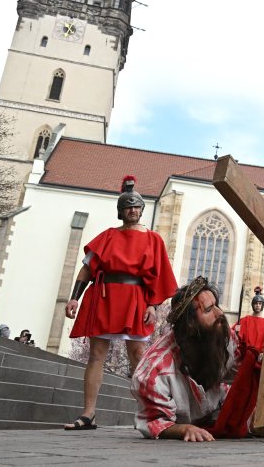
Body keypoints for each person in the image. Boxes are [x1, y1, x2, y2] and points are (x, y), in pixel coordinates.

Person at [131, 277, 264, 440]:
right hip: (194, 420)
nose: (220, 314)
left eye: (217, 305)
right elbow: (154, 422)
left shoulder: (223, 339)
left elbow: (252, 369)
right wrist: (183, 429)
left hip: (220, 409)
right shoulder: (153, 372)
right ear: (190, 325)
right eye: (208, 310)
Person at [64, 175, 178, 431]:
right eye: (128, 207)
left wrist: (153, 305)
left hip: (136, 299)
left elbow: (159, 277)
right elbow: (87, 270)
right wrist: (74, 297)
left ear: (141, 209)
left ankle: (149, 414)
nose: (133, 210)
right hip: (104, 297)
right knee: (96, 355)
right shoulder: (107, 236)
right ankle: (88, 414)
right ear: (121, 211)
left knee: (138, 355)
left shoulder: (153, 239)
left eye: (137, 206)